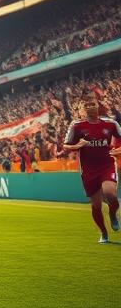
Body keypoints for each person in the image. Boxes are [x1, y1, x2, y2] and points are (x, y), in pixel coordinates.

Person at [62, 93, 121, 243]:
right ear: (83, 109)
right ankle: (103, 233)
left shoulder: (110, 124)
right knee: (96, 206)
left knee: (111, 194)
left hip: (107, 165)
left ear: (97, 106)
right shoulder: (77, 125)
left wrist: (118, 151)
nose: (89, 107)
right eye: (86, 105)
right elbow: (65, 145)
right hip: (88, 170)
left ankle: (113, 214)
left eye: (92, 104)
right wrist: (77, 146)